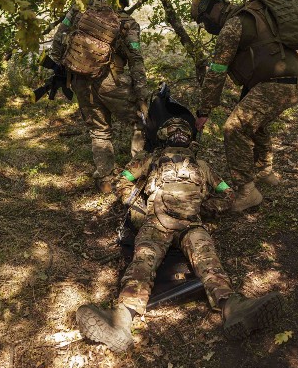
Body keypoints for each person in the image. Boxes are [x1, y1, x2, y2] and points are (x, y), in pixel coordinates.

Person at [75, 117, 284, 353]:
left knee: (143, 263)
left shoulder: (153, 159)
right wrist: (204, 208)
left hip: (159, 222)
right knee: (207, 263)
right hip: (186, 224)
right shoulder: (197, 165)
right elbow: (227, 194)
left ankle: (122, 318)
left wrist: (138, 205)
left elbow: (121, 181)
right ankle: (231, 306)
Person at [191, 0, 298, 212]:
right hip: (294, 81)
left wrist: (204, 111)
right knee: (254, 122)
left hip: (278, 84)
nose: (206, 27)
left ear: (214, 9)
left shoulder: (231, 26)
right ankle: (265, 172)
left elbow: (216, 72)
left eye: (205, 20)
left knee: (234, 128)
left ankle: (247, 191)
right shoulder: (253, 14)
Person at [48, 0, 149, 193]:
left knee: (99, 130)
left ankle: (105, 180)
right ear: (122, 1)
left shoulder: (77, 12)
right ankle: (137, 175)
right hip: (113, 81)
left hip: (80, 80)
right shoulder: (127, 23)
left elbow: (58, 41)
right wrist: (142, 96)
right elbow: (136, 59)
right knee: (141, 122)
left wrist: (60, 69)